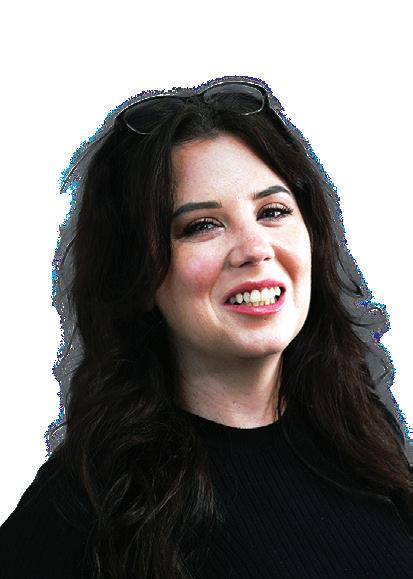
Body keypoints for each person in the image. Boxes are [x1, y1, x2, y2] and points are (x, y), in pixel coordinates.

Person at [0, 75, 412, 578]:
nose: (255, 248)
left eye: (273, 211)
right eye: (201, 226)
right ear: (138, 274)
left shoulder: (361, 435)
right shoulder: (88, 502)